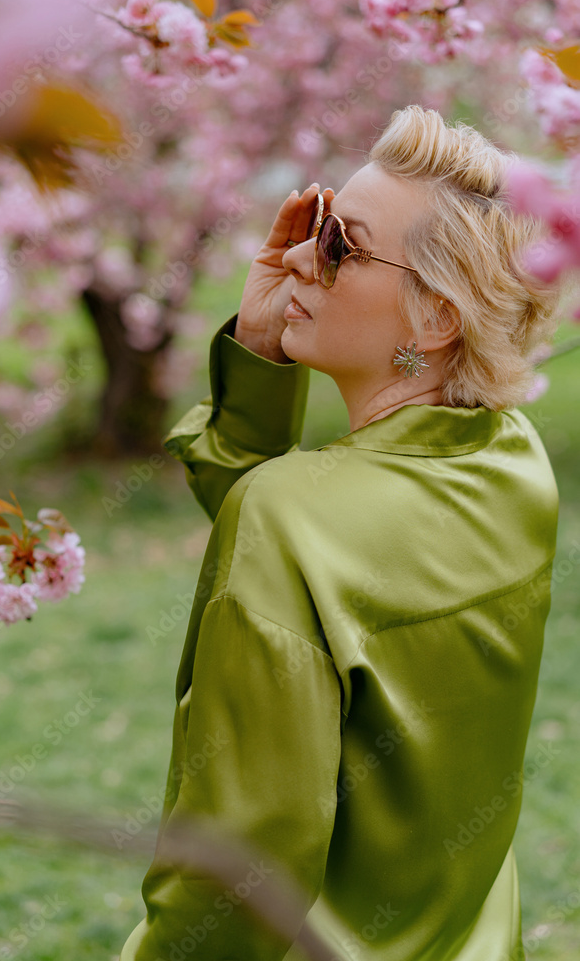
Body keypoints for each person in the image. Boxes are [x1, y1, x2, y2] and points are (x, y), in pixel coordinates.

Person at [119, 105, 561, 961]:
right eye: (314, 228)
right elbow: (313, 556)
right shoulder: (516, 467)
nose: (291, 257)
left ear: (434, 316)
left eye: (337, 246)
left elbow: (241, 863)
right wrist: (260, 349)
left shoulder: (288, 518)